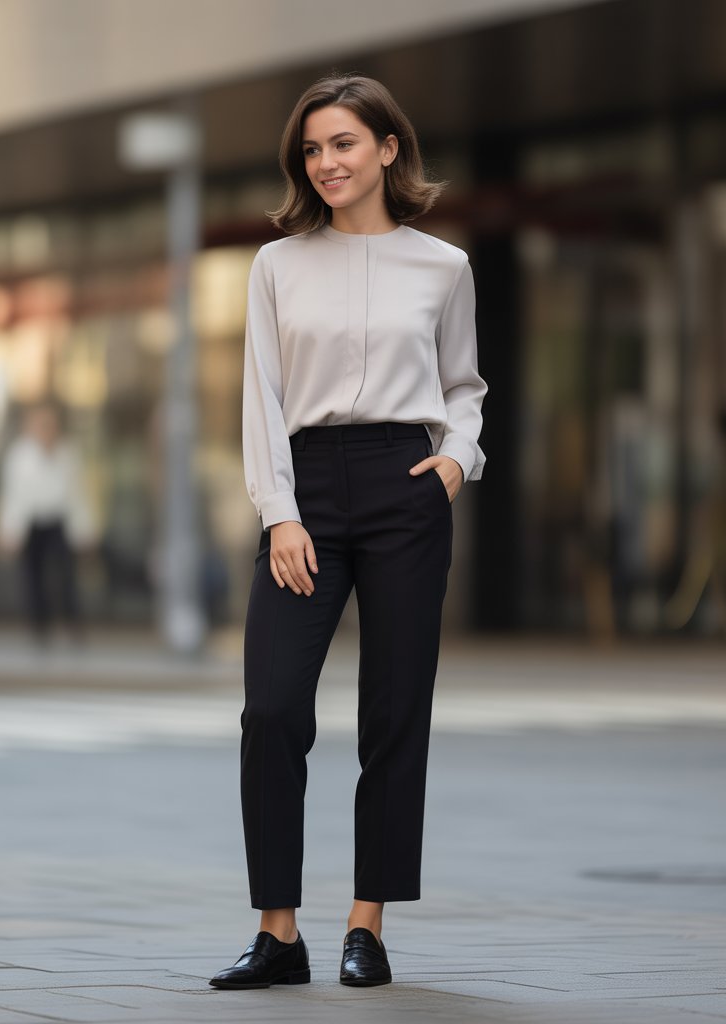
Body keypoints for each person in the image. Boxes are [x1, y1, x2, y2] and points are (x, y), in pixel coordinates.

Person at [208, 74, 487, 990]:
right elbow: (263, 396)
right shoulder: (276, 266)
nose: (326, 163)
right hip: (308, 489)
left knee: (395, 710)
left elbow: (464, 388)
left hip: (407, 484)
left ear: (388, 150)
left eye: (343, 145)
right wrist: (279, 513)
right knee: (274, 708)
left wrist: (456, 462)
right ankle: (277, 930)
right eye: (313, 150)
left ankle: (367, 923)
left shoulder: (443, 267)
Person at [0, 403, 94, 644]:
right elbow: (13, 496)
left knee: (66, 576)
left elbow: (77, 495)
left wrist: (84, 530)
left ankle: (72, 623)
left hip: (59, 521)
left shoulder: (68, 454)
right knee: (34, 577)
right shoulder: (19, 457)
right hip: (32, 523)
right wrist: (9, 530)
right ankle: (39, 627)